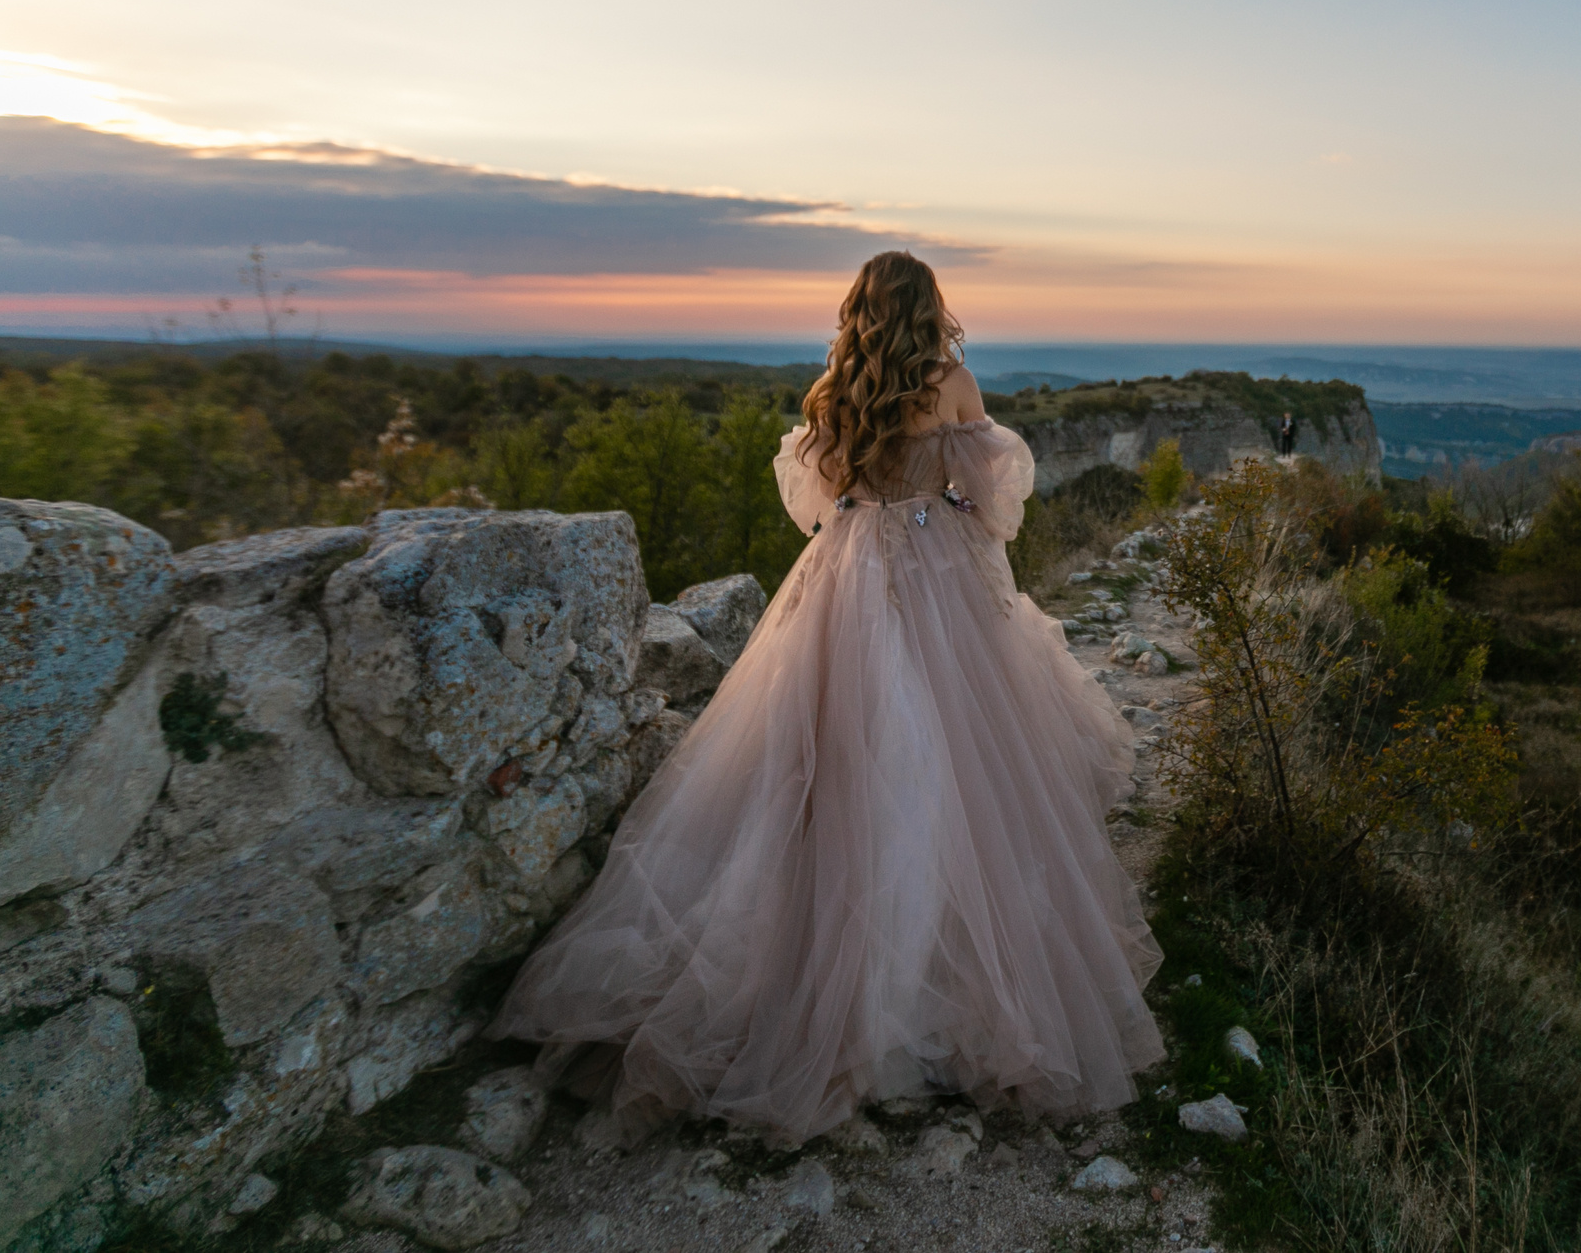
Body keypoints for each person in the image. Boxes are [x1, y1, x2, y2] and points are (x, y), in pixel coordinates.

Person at [492, 251, 1163, 1142]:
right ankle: (926, 980)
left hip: (844, 575)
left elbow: (820, 500)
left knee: (828, 755)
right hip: (934, 576)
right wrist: (944, 508)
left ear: (858, 311)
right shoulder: (952, 381)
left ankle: (817, 972)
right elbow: (991, 500)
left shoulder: (832, 389)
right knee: (952, 762)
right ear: (930, 307)